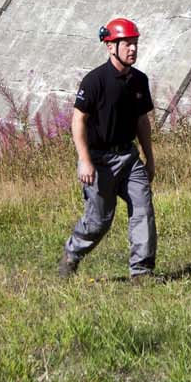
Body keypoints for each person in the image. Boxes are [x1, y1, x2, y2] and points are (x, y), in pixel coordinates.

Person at [59, 15, 157, 278]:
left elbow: (142, 121)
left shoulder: (139, 80)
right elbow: (78, 120)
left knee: (143, 210)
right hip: (99, 161)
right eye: (127, 44)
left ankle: (142, 272)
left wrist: (150, 158)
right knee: (99, 221)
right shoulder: (95, 81)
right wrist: (84, 160)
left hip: (129, 158)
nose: (133, 49)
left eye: (135, 43)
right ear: (110, 46)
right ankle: (72, 253)